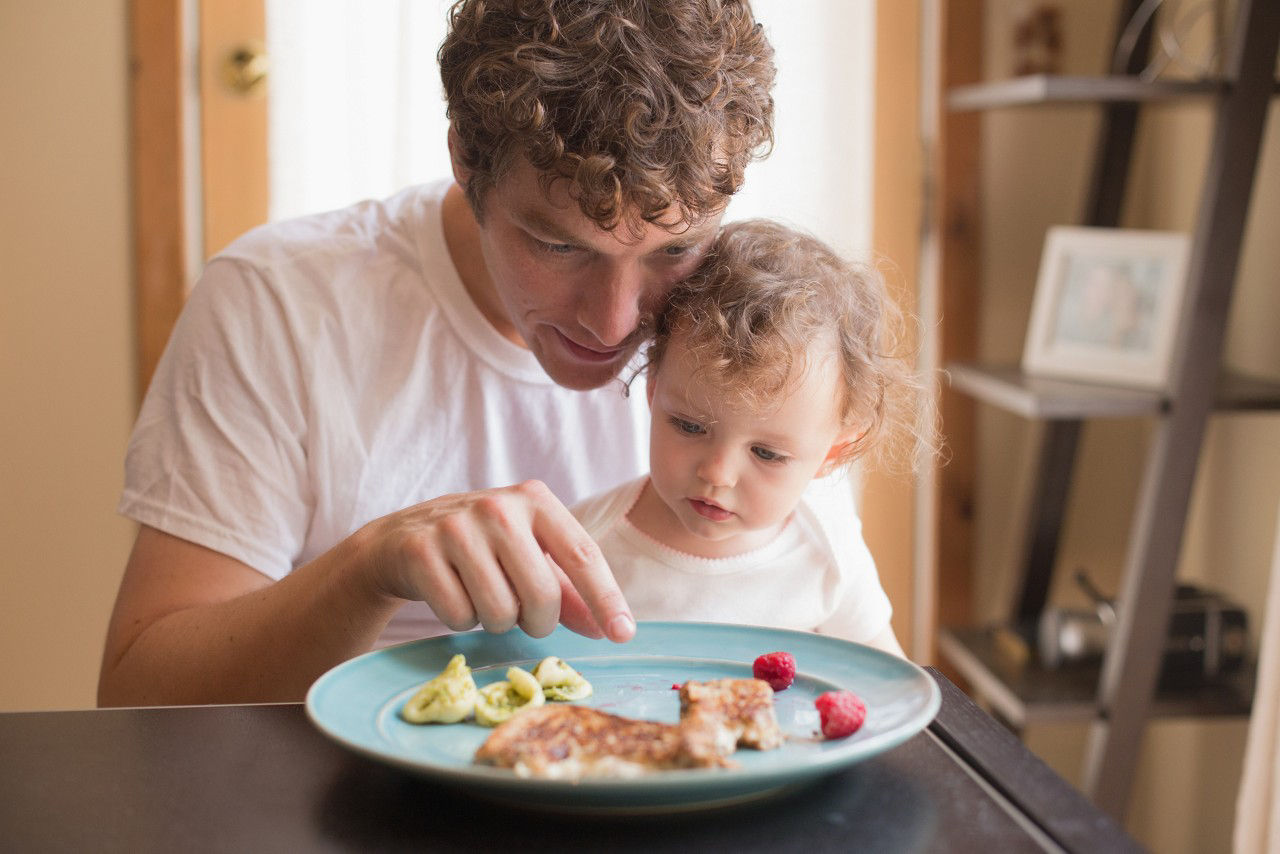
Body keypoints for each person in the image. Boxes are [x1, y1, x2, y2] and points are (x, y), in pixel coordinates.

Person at [94, 0, 851, 707]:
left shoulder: (751, 335)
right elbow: (139, 697)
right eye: (559, 246)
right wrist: (368, 571)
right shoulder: (279, 303)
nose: (618, 320)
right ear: (465, 157)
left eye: (676, 247)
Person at [572, 220, 935, 656]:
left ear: (831, 455)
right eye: (689, 426)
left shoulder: (827, 551)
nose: (717, 473)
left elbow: (886, 685)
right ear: (653, 393)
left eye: (766, 453)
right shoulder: (584, 544)